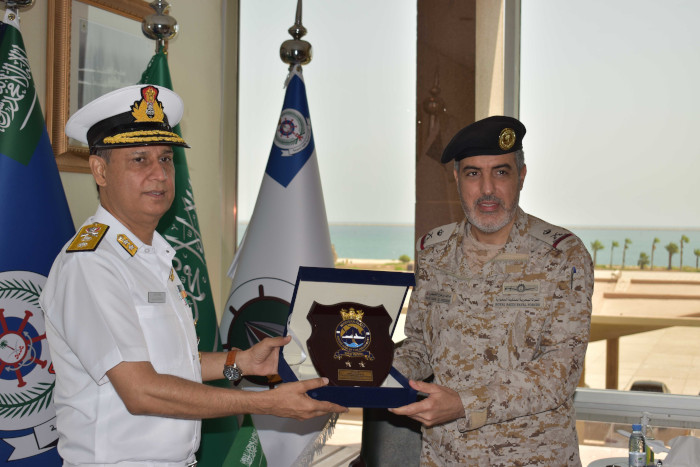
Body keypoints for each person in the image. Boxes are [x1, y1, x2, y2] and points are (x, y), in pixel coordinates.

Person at [39, 84, 346, 466]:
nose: (159, 174)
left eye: (166, 159)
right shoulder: (92, 264)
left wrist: (240, 362)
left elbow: (170, 363)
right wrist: (266, 403)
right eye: (139, 159)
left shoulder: (151, 255)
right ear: (100, 170)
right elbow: (140, 390)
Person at [389, 116, 593, 466]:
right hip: (444, 457)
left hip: (532, 457)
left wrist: (464, 405)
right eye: (473, 174)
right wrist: (380, 372)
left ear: (521, 176)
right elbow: (421, 344)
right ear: (457, 178)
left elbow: (559, 372)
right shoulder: (433, 252)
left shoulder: (562, 255)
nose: (487, 189)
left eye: (500, 172)